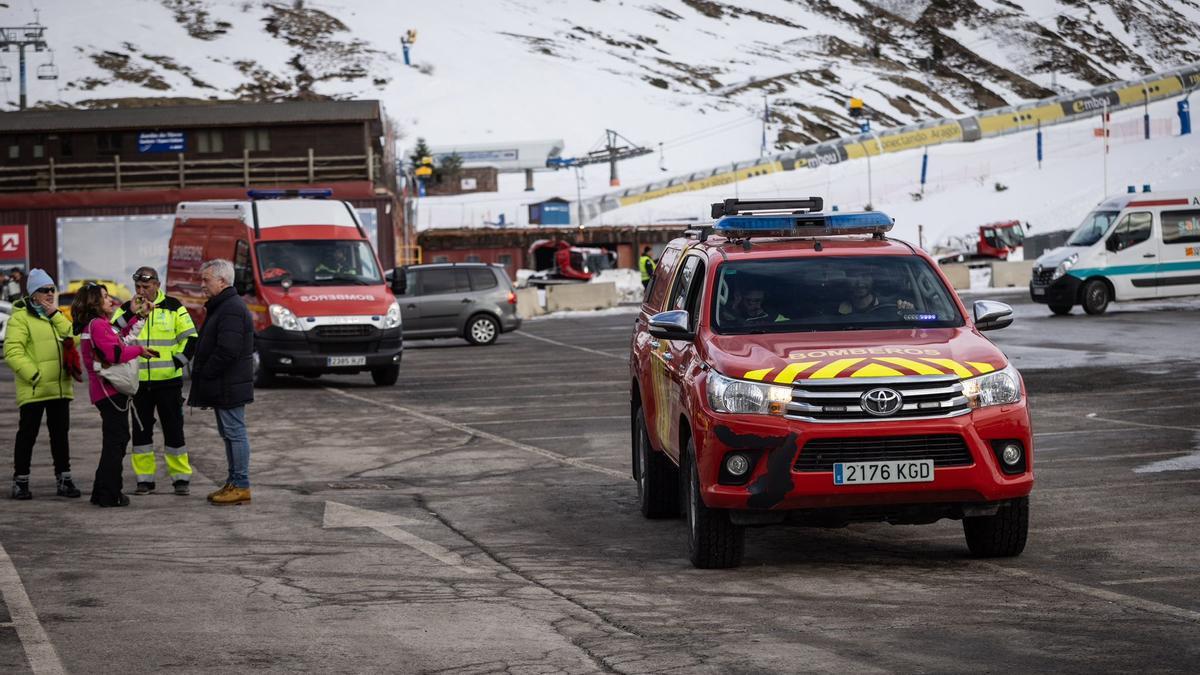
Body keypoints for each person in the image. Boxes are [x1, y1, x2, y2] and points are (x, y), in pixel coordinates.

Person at [112, 267, 198, 496]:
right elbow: (112, 335)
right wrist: (131, 313)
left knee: (174, 432)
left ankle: (181, 479)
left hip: (168, 383)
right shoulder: (127, 308)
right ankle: (144, 480)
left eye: (146, 287)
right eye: (138, 287)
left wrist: (177, 362)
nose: (141, 291)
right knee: (141, 435)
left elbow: (190, 337)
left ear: (157, 285)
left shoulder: (173, 307)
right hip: (138, 384)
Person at [72, 283, 154, 508]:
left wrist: (140, 317)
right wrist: (140, 350)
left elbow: (121, 338)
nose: (111, 300)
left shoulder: (97, 325)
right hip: (108, 392)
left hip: (105, 392)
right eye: (105, 297)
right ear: (94, 303)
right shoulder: (98, 325)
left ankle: (101, 491)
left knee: (115, 440)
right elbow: (115, 353)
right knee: (116, 442)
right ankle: (110, 494)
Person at [5, 269, 83, 500]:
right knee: (27, 435)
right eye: (44, 290)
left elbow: (74, 337)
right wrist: (35, 375)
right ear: (33, 294)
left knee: (60, 436)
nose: (50, 294)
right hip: (35, 388)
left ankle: (64, 479)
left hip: (59, 388)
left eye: (52, 289)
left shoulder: (56, 316)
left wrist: (55, 315)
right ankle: (20, 481)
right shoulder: (20, 317)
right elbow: (13, 351)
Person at [189, 259, 255, 506]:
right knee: (229, 433)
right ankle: (234, 482)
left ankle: (240, 484)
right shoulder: (223, 306)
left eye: (206, 280)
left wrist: (206, 371)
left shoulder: (231, 308)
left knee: (235, 433)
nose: (202, 285)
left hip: (228, 383)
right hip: (225, 383)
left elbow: (228, 349)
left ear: (222, 281)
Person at [836, 267, 914, 316]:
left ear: (872, 279)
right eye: (854, 276)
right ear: (846, 280)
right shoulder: (833, 308)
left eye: (865, 276)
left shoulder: (892, 306)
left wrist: (909, 312)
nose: (860, 283)